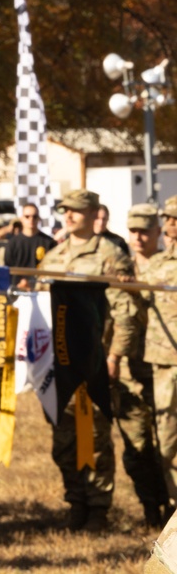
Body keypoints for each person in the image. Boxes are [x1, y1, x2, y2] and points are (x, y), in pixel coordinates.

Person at [37, 189, 137, 531]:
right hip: (59, 363)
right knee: (63, 437)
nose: (69, 215)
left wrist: (114, 356)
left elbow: (124, 312)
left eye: (76, 211)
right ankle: (75, 501)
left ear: (93, 213)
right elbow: (38, 308)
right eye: (65, 210)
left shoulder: (110, 255)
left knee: (95, 437)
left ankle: (98, 508)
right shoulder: (53, 257)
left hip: (94, 362)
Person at [113, 203, 170, 527]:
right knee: (137, 445)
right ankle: (150, 506)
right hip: (128, 371)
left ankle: (170, 509)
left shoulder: (167, 268)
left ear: (158, 233)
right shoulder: (121, 267)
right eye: (132, 231)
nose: (137, 237)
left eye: (144, 231)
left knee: (168, 445)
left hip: (162, 369)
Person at [145, 196, 177, 510]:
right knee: (166, 436)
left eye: (175, 219)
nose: (171, 224)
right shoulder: (156, 265)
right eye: (168, 219)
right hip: (165, 362)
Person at [2, 203, 57, 289]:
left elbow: (53, 268)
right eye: (27, 216)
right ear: (21, 219)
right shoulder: (12, 243)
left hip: (41, 289)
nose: (31, 219)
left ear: (39, 218)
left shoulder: (49, 242)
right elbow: (8, 269)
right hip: (17, 289)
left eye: (34, 216)